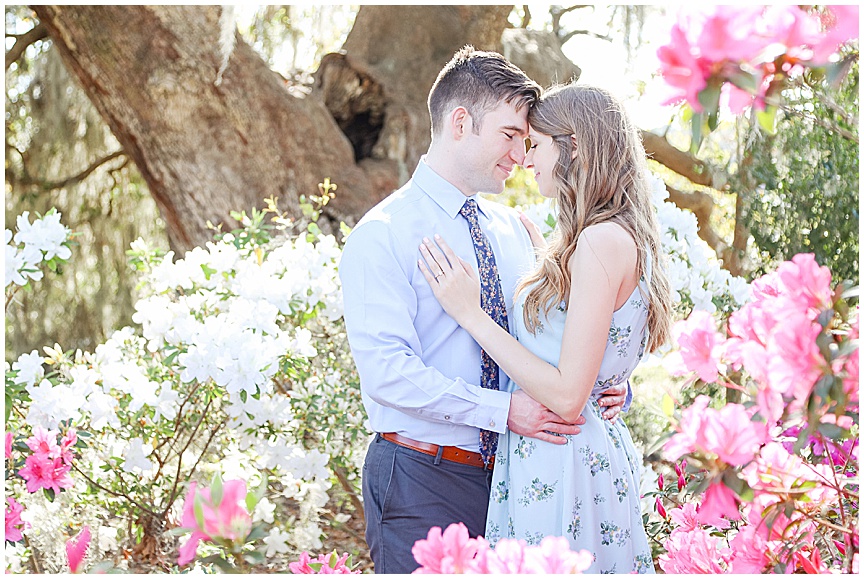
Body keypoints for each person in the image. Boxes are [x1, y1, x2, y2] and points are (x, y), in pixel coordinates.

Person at [338, 48, 628, 574]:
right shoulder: (381, 236)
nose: (521, 154)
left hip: (516, 483)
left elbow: (556, 342)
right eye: (510, 134)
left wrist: (610, 382)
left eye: (527, 140)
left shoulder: (517, 232)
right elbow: (387, 376)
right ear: (460, 122)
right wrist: (503, 413)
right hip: (420, 479)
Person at [418, 82, 673, 574]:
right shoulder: (605, 237)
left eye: (535, 144)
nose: (524, 157)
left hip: (565, 463)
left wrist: (470, 316)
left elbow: (567, 395)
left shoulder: (600, 242)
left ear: (573, 146)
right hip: (575, 455)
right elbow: (595, 351)